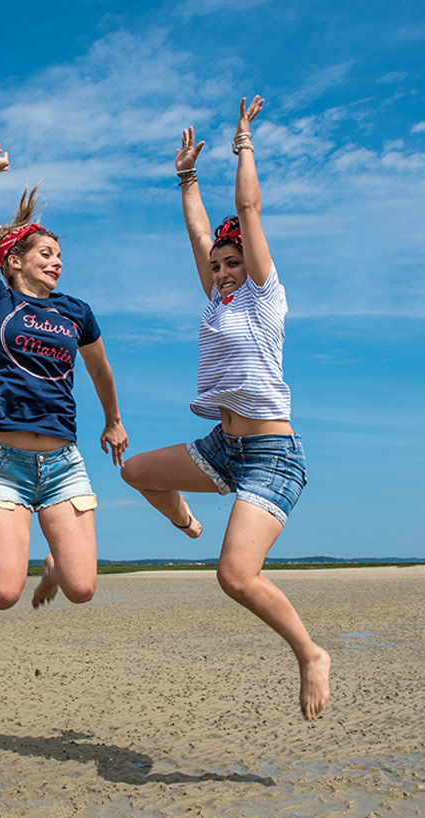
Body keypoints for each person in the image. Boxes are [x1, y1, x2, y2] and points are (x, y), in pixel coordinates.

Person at [119, 97, 331, 720]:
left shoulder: (266, 299)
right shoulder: (218, 301)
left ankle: (310, 653)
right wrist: (186, 178)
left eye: (232, 262)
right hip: (221, 447)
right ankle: (189, 525)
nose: (223, 271)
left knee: (235, 577)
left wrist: (244, 142)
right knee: (135, 471)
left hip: (270, 455)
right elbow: (197, 231)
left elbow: (247, 209)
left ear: (252, 264)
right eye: (217, 266)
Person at [0, 143, 128, 615]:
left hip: (62, 463)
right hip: (2, 463)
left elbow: (99, 369)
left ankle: (53, 566)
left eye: (59, 256)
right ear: (14, 261)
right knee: (4, 595)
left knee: (82, 589)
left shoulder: (76, 312)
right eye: (46, 254)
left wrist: (113, 420)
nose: (57, 262)